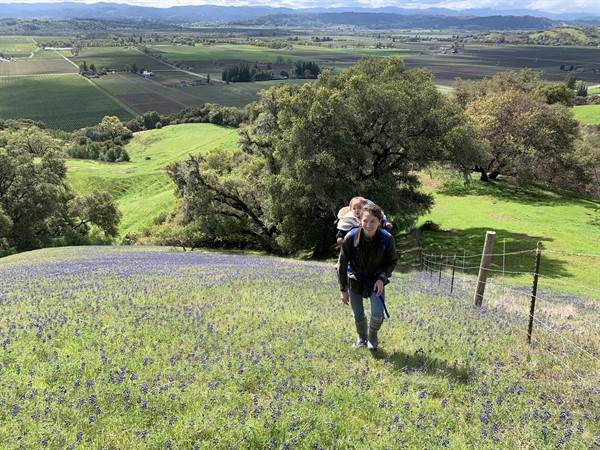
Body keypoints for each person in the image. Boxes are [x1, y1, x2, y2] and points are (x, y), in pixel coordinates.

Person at [338, 203, 398, 350]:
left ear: (379, 222)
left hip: (375, 280)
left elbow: (392, 261)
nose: (368, 225)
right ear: (360, 221)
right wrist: (343, 289)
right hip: (355, 279)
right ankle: (362, 338)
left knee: (378, 314)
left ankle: (372, 336)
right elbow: (342, 264)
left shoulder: (387, 238)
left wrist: (382, 279)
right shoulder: (350, 237)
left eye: (373, 221)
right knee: (358, 314)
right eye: (365, 221)